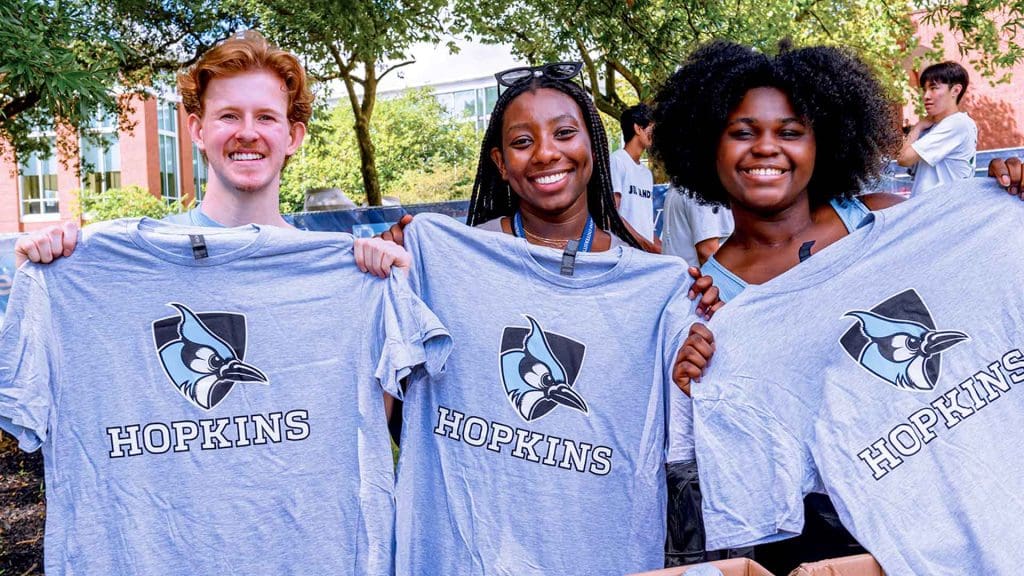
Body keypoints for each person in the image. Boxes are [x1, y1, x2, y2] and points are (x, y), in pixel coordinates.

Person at [651, 39, 907, 572]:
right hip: (813, 537)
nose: (766, 148)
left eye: (790, 132)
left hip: (928, 491)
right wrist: (694, 378)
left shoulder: (886, 223)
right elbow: (711, 451)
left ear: (825, 143)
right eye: (742, 133)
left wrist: (1010, 191)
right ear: (706, 146)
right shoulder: (701, 302)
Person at [13, 30, 404, 276]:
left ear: (293, 136)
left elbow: (376, 408)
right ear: (197, 130)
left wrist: (393, 282)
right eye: (229, 115)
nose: (247, 133)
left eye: (266, 117)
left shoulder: (337, 269)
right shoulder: (122, 262)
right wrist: (42, 272)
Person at [896, 61, 977, 197]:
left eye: (933, 88)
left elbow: (904, 159)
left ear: (956, 90)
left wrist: (918, 126)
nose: (926, 96)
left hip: (942, 212)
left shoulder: (957, 123)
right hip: (927, 209)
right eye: (924, 90)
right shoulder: (934, 127)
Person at [610, 103, 658, 249]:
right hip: (625, 254)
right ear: (638, 128)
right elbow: (612, 215)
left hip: (645, 256)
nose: (655, 134)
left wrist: (660, 248)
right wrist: (646, 245)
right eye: (652, 128)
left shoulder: (647, 174)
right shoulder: (617, 161)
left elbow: (646, 225)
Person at [661, 186, 734, 267]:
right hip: (704, 276)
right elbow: (707, 252)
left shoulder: (679, 187)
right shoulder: (700, 190)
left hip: (681, 275)